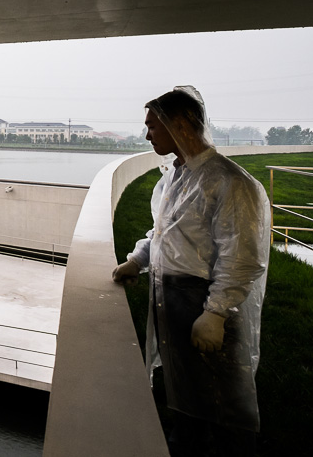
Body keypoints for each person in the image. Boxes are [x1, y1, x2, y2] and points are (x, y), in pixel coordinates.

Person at [112, 86, 271, 457]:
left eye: (152, 126)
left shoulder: (230, 182)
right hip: (173, 302)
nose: (147, 135)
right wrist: (138, 259)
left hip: (203, 304)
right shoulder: (176, 176)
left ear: (180, 124)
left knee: (223, 402)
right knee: (185, 391)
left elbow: (241, 257)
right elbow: (166, 232)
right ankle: (185, 442)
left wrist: (216, 313)